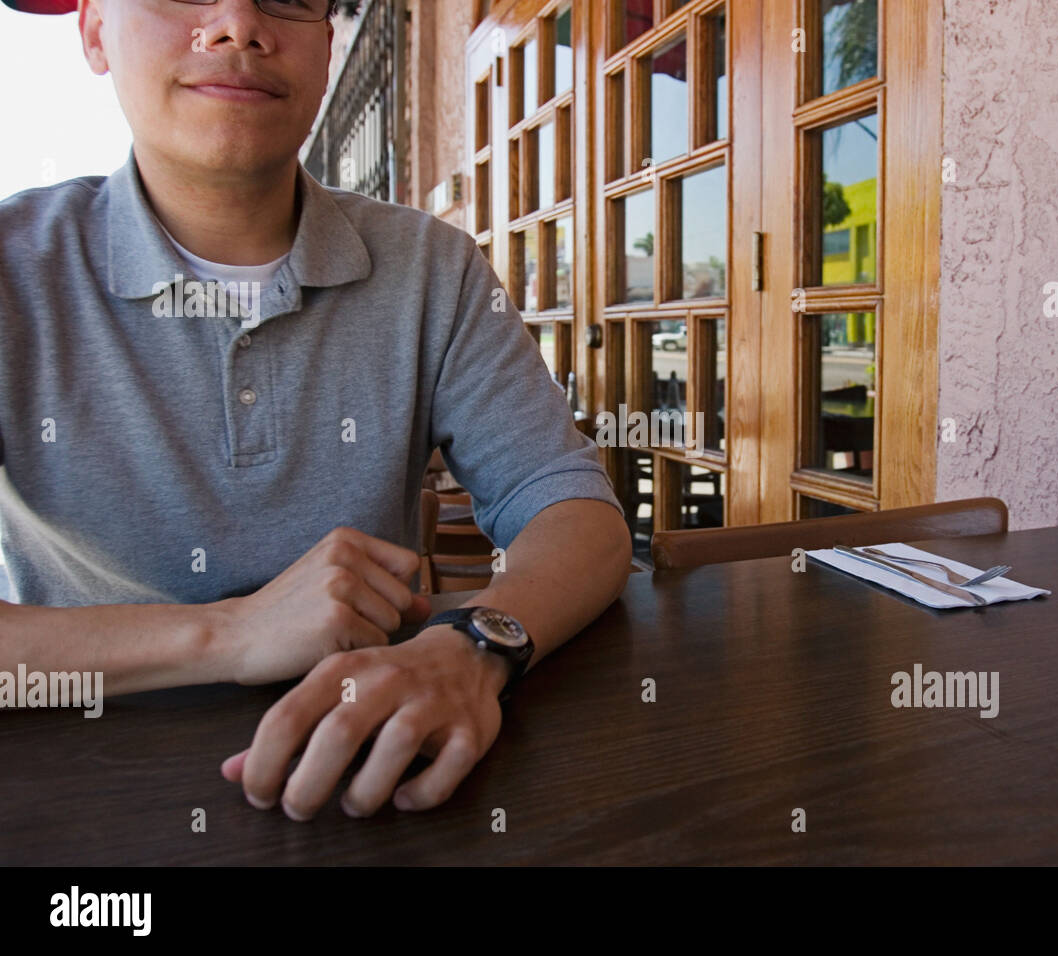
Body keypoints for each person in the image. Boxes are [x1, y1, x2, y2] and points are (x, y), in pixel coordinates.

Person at [0, 0, 632, 820]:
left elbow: (576, 509)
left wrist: (473, 645)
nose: (236, 25)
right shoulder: (17, 273)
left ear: (327, 47)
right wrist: (233, 633)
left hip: (380, 765)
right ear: (93, 33)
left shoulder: (430, 269)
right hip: (82, 791)